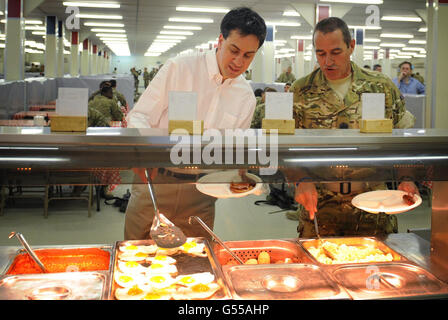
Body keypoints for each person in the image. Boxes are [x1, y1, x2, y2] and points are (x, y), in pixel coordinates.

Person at [124, 7, 267, 241]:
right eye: (234, 50)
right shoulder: (180, 68)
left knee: (197, 262)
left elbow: (232, 151)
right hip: (156, 183)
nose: (238, 61)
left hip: (202, 191)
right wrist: (142, 155)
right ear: (220, 40)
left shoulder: (245, 97)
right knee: (137, 257)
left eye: (248, 55)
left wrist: (241, 175)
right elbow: (139, 116)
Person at [289, 17, 418, 238]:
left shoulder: (380, 87)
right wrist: (300, 179)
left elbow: (403, 137)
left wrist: (407, 177)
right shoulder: (301, 90)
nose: (328, 61)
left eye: (335, 52)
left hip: (374, 205)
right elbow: (287, 147)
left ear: (351, 47)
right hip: (320, 207)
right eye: (320, 53)